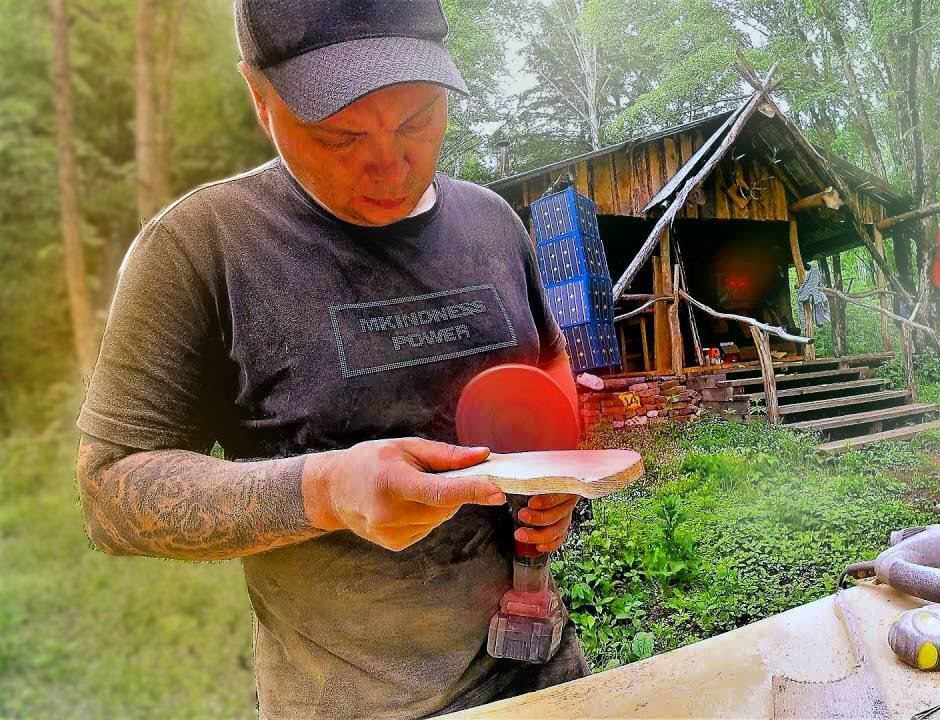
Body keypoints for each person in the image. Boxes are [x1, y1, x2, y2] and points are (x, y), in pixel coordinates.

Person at [74, 1, 589, 717]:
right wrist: (323, 492)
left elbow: (549, 369)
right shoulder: (200, 249)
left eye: (418, 119)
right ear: (259, 96)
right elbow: (109, 495)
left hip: (546, 672)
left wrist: (555, 478)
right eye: (339, 135)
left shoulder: (492, 223)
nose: (390, 164)